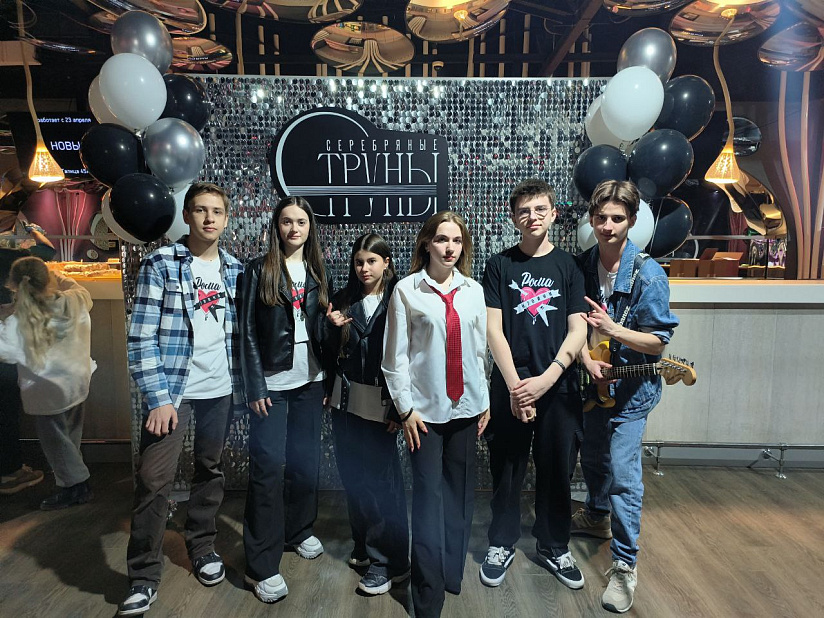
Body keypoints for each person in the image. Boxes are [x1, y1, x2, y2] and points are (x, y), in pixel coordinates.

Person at [120, 182, 243, 616]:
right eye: (200, 210)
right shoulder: (162, 263)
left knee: (210, 469)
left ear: (226, 219)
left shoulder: (235, 270)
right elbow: (140, 337)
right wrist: (158, 398)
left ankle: (203, 547)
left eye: (217, 211)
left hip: (220, 389)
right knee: (154, 480)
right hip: (172, 393)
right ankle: (143, 575)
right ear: (187, 216)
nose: (209, 218)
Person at [573, 180, 679, 613]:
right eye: (601, 217)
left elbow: (658, 342)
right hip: (594, 385)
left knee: (623, 474)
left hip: (632, 393)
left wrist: (614, 330)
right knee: (593, 458)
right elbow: (571, 325)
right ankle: (596, 515)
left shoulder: (649, 275)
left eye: (617, 218)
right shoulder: (581, 265)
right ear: (591, 218)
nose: (608, 226)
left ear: (632, 221)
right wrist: (584, 357)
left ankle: (624, 566)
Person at [479, 178, 588, 590]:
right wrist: (516, 387)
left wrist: (547, 379)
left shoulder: (570, 267)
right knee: (506, 469)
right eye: (524, 210)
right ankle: (501, 542)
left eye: (540, 209)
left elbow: (578, 329)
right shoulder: (499, 265)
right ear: (513, 218)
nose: (532, 216)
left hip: (558, 386)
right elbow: (493, 329)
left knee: (557, 469)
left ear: (553, 214)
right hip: (511, 385)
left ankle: (553, 545)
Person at [382, 211, 489, 618]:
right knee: (428, 502)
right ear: (427, 243)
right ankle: (427, 598)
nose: (449, 248)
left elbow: (478, 352)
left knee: (460, 498)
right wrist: (405, 409)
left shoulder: (473, 291)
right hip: (423, 413)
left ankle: (451, 575)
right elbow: (395, 358)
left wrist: (485, 400)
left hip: (467, 407)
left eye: (457, 241)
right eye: (442, 239)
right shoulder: (406, 290)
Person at [240, 196, 329, 604]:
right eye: (287, 221)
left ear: (310, 228)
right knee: (266, 470)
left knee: (304, 461)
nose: (294, 229)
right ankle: (260, 566)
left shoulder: (317, 271)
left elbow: (321, 328)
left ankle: (298, 530)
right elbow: (245, 330)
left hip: (311, 380)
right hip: (272, 385)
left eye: (301, 222)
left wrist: (330, 376)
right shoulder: (258, 270)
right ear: (276, 226)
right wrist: (255, 385)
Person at [323, 233, 410, 596]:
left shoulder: (400, 297)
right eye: (359, 262)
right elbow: (330, 354)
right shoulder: (343, 298)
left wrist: (399, 409)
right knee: (354, 477)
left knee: (382, 482)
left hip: (382, 403)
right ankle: (364, 545)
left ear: (386, 262)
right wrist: (330, 329)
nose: (364, 268)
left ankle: (389, 561)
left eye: (372, 261)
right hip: (345, 403)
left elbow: (409, 357)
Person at [0, 256, 94, 509]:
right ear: (47, 280)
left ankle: (76, 486)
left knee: (56, 444)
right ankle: (72, 482)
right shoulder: (74, 300)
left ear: (14, 285)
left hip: (46, 392)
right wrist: (56, 274)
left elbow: (5, 352)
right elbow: (79, 288)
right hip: (77, 382)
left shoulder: (20, 320)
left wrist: (4, 316)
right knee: (70, 438)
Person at [0, 211, 55, 495]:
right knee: (5, 408)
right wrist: (33, 229)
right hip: (3, 349)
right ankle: (9, 472)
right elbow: (47, 252)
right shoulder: (8, 255)